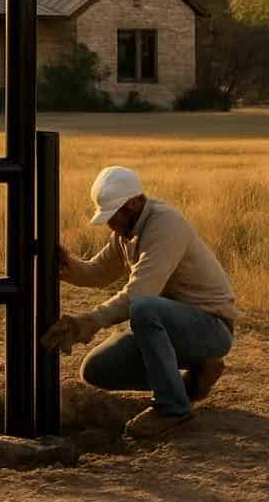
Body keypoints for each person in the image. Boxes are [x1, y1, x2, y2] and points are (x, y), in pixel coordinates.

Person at [41, 165, 237, 438]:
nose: (110, 224)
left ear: (134, 203)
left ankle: (173, 408)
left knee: (143, 308)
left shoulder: (165, 225)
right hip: (170, 327)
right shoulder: (126, 233)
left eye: (114, 215)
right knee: (96, 369)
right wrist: (67, 267)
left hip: (210, 328)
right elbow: (99, 273)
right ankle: (194, 378)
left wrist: (89, 321)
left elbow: (139, 294)